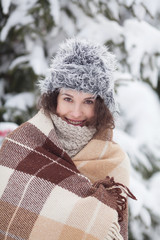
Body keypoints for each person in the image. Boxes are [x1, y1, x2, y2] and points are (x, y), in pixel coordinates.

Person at [0, 38, 136, 240]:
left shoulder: (114, 161)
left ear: (100, 105)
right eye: (68, 98)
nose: (76, 112)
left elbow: (112, 229)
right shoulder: (22, 142)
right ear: (54, 98)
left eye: (88, 101)